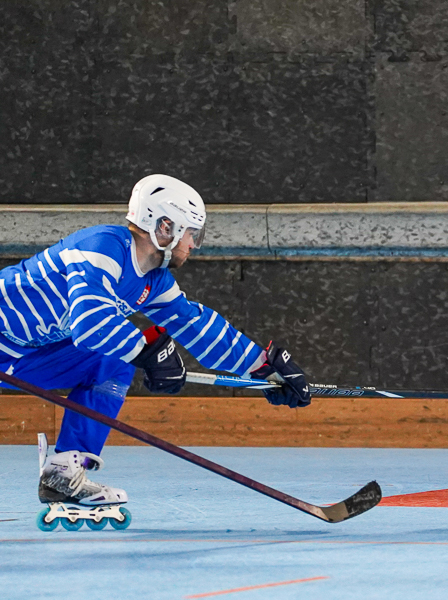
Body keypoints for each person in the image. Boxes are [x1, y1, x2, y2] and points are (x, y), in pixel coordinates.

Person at [0, 174, 311, 518]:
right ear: (165, 226)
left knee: (113, 362)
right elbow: (90, 323)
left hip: (21, 357)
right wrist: (149, 353)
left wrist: (263, 367)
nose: (194, 244)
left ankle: (62, 475)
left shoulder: (153, 279)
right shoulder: (101, 248)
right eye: (192, 233)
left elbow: (195, 325)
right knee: (115, 349)